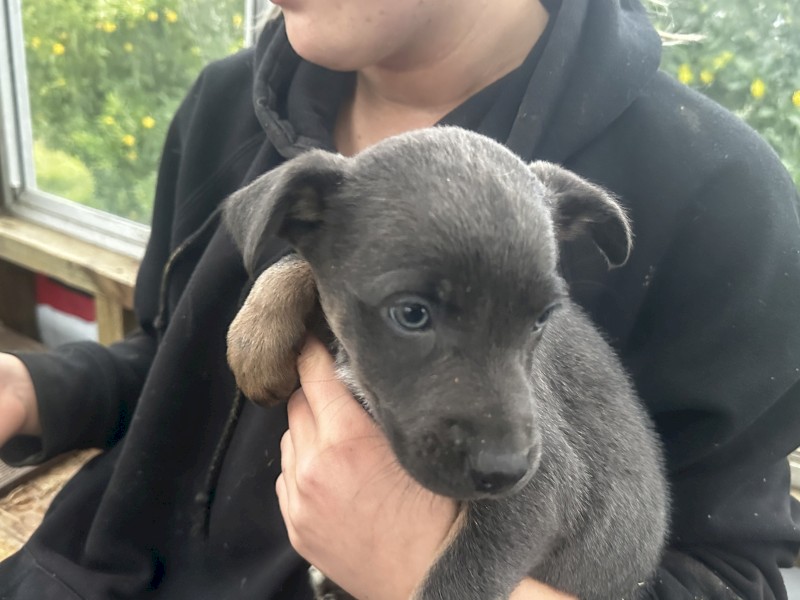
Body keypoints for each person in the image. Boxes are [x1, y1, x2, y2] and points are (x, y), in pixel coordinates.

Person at [1, 0, 799, 597]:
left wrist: (413, 573)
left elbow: (732, 575)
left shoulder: (719, 196)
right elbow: (171, 359)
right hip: (94, 573)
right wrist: (33, 390)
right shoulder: (225, 104)